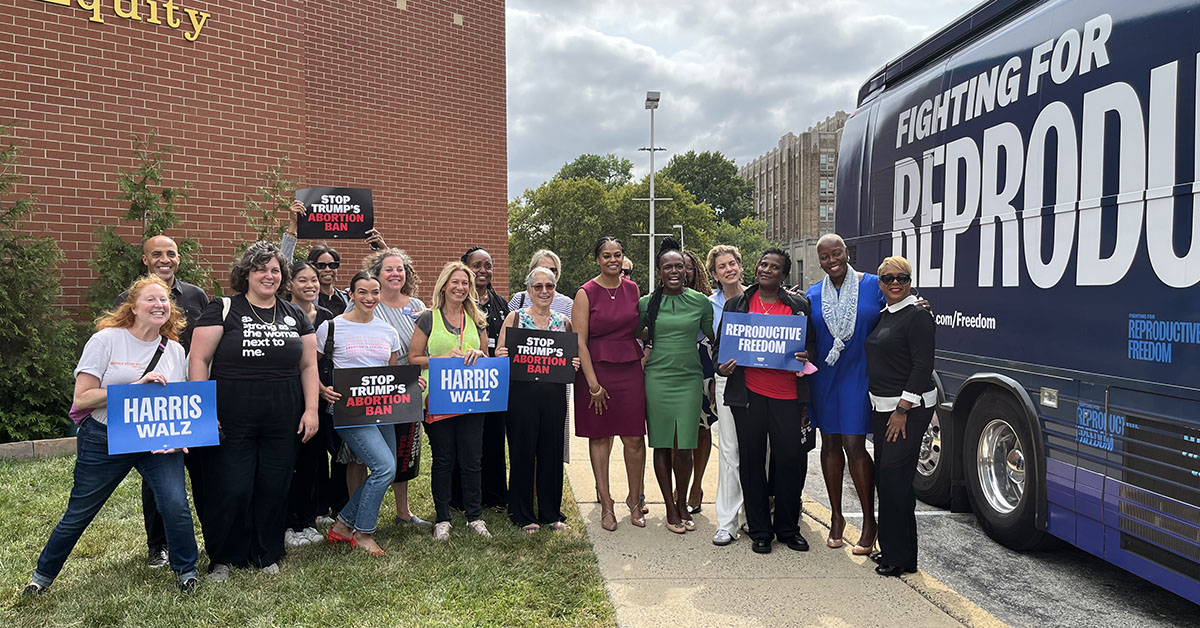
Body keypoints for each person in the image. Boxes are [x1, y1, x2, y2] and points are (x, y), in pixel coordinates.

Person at [25, 276, 200, 595]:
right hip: (103, 436)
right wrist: (132, 390)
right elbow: (82, 399)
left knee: (174, 503)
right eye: (151, 299)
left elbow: (178, 400)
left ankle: (187, 571)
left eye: (164, 300)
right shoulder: (106, 341)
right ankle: (42, 577)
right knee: (80, 511)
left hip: (154, 438)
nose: (160, 305)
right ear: (133, 307)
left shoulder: (174, 349)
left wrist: (179, 434)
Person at [189, 242, 320, 580]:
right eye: (261, 268)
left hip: (284, 415)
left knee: (274, 485)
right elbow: (199, 360)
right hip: (231, 415)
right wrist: (204, 410)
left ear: (283, 276)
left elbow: (308, 366)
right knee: (231, 486)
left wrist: (311, 410)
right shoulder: (223, 307)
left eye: (275, 270)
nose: (269, 275)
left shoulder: (295, 314)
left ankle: (267, 552)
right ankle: (224, 557)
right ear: (246, 273)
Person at [113, 235, 209, 568]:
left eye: (170, 254)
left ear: (178, 259)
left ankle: (195, 537)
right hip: (149, 395)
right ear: (145, 260)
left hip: (187, 391)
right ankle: (158, 545)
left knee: (197, 469)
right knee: (157, 473)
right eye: (157, 254)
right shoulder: (129, 298)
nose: (164, 259)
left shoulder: (196, 295)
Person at [714, 249, 817, 554]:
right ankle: (760, 530)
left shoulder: (798, 306)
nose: (767, 270)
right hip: (749, 395)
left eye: (775, 267)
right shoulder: (738, 304)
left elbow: (810, 344)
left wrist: (805, 355)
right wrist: (724, 366)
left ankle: (787, 528)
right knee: (752, 462)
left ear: (784, 276)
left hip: (787, 396)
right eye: (764, 265)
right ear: (757, 268)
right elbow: (721, 349)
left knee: (789, 462)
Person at [318, 272, 410, 556]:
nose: (369, 298)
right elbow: (308, 366)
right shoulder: (331, 327)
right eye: (362, 292)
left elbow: (393, 373)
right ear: (352, 294)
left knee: (387, 468)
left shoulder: (387, 331)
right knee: (383, 467)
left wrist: (411, 383)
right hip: (348, 411)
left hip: (383, 409)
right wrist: (322, 389)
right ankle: (363, 533)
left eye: (374, 292)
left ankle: (344, 525)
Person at [806, 233, 884, 553]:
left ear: (846, 252)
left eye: (836, 253)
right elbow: (806, 335)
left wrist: (917, 305)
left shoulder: (873, 285)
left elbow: (898, 311)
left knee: (855, 444)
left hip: (858, 375)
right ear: (820, 261)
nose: (831, 260)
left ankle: (869, 521)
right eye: (825, 257)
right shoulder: (812, 294)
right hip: (825, 377)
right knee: (830, 444)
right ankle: (837, 517)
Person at [409, 261, 493, 541]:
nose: (460, 287)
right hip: (439, 398)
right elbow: (413, 359)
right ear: (444, 285)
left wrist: (480, 356)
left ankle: (474, 517)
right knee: (444, 459)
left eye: (465, 283)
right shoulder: (427, 318)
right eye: (455, 282)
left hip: (471, 396)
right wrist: (439, 360)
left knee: (472, 459)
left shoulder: (477, 319)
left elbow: (486, 356)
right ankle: (442, 518)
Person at [865, 255, 936, 577]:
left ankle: (902, 557)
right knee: (889, 481)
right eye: (889, 279)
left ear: (910, 282)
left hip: (907, 411)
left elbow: (922, 368)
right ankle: (894, 551)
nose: (895, 284)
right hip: (882, 409)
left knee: (895, 480)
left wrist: (902, 410)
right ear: (880, 284)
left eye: (902, 279)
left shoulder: (917, 316)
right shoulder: (883, 316)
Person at [495, 266, 580, 533]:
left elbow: (569, 357)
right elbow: (500, 351)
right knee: (522, 452)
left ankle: (551, 513)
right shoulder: (515, 318)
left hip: (553, 396)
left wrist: (573, 362)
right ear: (529, 290)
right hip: (521, 396)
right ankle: (521, 513)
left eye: (549, 286)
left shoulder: (563, 322)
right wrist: (501, 356)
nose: (544, 291)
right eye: (538, 286)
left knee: (551, 453)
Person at [639, 239, 713, 534]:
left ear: (687, 270)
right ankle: (670, 507)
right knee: (662, 443)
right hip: (657, 379)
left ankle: (683, 502)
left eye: (679, 266)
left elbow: (715, 337)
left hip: (689, 378)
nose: (674, 271)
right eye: (667, 266)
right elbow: (634, 337)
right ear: (659, 271)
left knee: (685, 446)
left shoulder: (700, 301)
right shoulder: (646, 303)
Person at [573, 237, 647, 531]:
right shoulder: (585, 293)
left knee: (634, 438)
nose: (612, 260)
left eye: (617, 255)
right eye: (606, 255)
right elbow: (579, 341)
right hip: (596, 371)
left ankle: (634, 500)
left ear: (623, 258)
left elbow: (640, 330)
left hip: (629, 369)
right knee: (601, 437)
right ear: (598, 260)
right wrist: (592, 384)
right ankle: (606, 503)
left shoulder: (633, 289)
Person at [361, 247, 432, 527]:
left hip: (408, 386)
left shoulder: (417, 307)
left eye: (400, 269)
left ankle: (403, 512)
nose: (395, 274)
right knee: (364, 455)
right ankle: (361, 512)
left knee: (403, 449)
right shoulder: (366, 302)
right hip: (371, 387)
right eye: (388, 269)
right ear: (376, 273)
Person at [284, 261, 338, 548]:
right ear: (290, 283)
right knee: (290, 461)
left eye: (314, 280)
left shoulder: (327, 316)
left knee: (314, 459)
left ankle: (310, 516)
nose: (310, 285)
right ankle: (289, 522)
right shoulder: (280, 314)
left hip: (320, 397)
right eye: (302, 280)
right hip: (290, 395)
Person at [460, 246, 509, 511]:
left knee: (493, 437)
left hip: (493, 382)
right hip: (465, 383)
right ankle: (464, 497)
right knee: (467, 442)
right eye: (477, 265)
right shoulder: (457, 302)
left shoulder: (501, 303)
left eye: (488, 265)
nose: (483, 270)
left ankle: (496, 496)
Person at [705, 244, 746, 546]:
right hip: (727, 382)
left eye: (732, 263)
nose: (729, 269)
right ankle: (727, 522)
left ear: (741, 266)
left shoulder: (760, 298)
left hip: (761, 382)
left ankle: (752, 515)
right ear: (714, 274)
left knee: (760, 451)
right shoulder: (709, 305)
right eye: (722, 266)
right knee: (730, 451)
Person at [681, 248, 715, 517]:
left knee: (702, 428)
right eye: (677, 266)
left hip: (703, 366)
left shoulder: (708, 301)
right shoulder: (659, 300)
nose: (682, 271)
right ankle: (678, 487)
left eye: (688, 267)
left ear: (697, 271)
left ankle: (697, 485)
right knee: (676, 432)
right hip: (672, 368)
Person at [508, 249, 573, 316]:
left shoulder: (567, 305)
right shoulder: (519, 300)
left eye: (552, 270)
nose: (548, 273)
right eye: (543, 269)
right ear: (532, 270)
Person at [308, 245, 349, 315]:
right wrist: (290, 238)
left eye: (332, 265)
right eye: (321, 265)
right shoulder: (307, 299)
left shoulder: (347, 298)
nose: (328, 269)